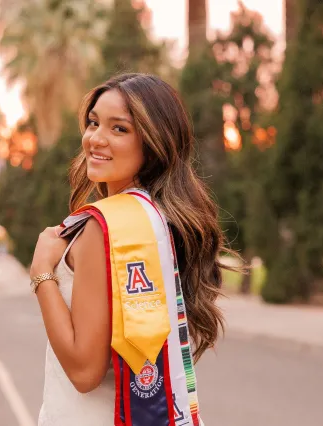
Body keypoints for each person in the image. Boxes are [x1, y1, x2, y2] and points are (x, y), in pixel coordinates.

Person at [31, 74, 240, 426]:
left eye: (119, 129)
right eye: (94, 122)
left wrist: (42, 273)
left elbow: (84, 371)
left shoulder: (106, 227)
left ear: (154, 143)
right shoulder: (160, 218)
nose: (96, 139)